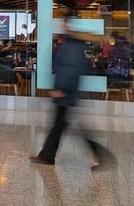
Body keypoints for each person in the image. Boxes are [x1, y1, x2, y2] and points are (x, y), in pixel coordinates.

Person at [30, 19, 100, 168]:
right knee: (59, 125)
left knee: (70, 127)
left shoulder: (72, 46)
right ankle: (47, 155)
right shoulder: (71, 44)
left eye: (64, 24)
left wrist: (61, 88)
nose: (61, 26)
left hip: (66, 93)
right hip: (67, 93)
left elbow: (70, 68)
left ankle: (99, 155)